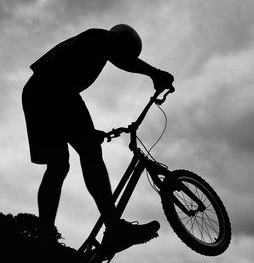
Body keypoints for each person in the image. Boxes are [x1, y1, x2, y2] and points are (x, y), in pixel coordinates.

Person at [22, 24, 174, 253]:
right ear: (122, 41)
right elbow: (121, 58)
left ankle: (44, 240)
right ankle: (114, 228)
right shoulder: (99, 37)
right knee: (89, 154)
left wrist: (87, 134)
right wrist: (155, 73)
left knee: (58, 165)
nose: (124, 57)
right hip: (55, 90)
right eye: (127, 52)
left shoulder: (92, 47)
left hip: (39, 93)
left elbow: (69, 113)